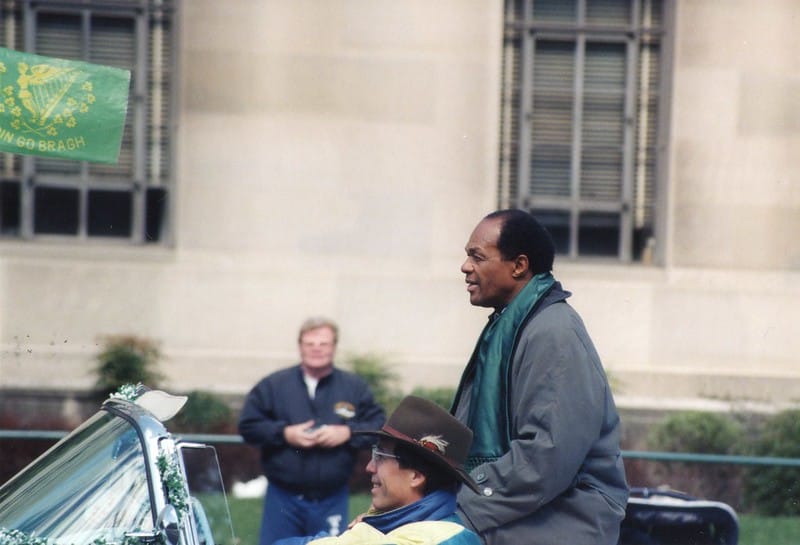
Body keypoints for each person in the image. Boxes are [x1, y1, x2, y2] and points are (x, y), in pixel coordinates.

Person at [451, 209, 629, 545]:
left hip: (567, 518)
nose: (465, 267)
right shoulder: (510, 327)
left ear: (519, 266)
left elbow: (545, 459)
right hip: (520, 512)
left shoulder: (554, 333)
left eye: (477, 256)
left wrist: (455, 506)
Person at [239, 317, 386, 545]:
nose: (316, 349)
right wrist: (285, 434)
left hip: (332, 497)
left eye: (323, 343)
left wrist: (347, 432)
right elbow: (248, 426)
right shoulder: (273, 385)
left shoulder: (353, 387)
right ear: (300, 346)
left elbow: (379, 425)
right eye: (310, 343)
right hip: (282, 498)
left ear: (334, 347)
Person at [274, 395, 482, 545]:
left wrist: (360, 533)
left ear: (416, 476)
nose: (369, 467)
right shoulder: (427, 526)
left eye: (381, 457)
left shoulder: (430, 540)